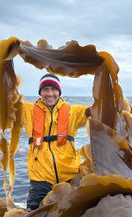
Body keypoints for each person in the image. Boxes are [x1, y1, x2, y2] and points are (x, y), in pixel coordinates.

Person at [22, 73, 91, 210]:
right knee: (34, 210)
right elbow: (5, 100)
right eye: (45, 89)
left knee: (77, 210)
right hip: (40, 176)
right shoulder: (27, 110)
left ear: (59, 91)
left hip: (70, 175)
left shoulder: (73, 111)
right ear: (40, 92)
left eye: (53, 89)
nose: (50, 93)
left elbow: (98, 111)